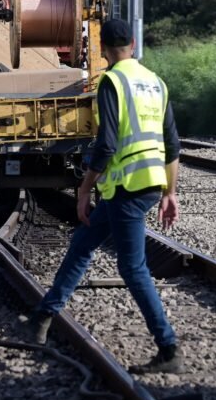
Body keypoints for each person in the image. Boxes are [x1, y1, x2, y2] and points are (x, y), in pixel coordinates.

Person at [24, 19, 183, 374]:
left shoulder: (112, 81)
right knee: (82, 243)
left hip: (127, 187)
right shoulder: (156, 82)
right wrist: (171, 192)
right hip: (146, 184)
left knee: (133, 268)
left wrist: (83, 188)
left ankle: (169, 348)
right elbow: (173, 144)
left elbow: (107, 144)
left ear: (102, 45)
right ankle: (42, 318)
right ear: (133, 42)